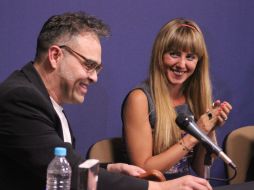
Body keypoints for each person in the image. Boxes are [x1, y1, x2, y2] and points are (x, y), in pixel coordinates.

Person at [0, 12, 212, 190]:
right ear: (55, 56)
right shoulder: (21, 99)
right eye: (88, 65)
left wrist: (109, 169)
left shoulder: (42, 98)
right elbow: (71, 173)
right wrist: (159, 187)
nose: (94, 77)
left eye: (97, 68)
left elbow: (62, 166)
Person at [122, 18, 232, 180]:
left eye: (190, 57)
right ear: (160, 55)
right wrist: (196, 133)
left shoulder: (195, 99)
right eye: (174, 54)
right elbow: (143, 171)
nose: (181, 64)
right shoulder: (140, 99)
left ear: (198, 63)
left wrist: (209, 129)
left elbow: (201, 170)